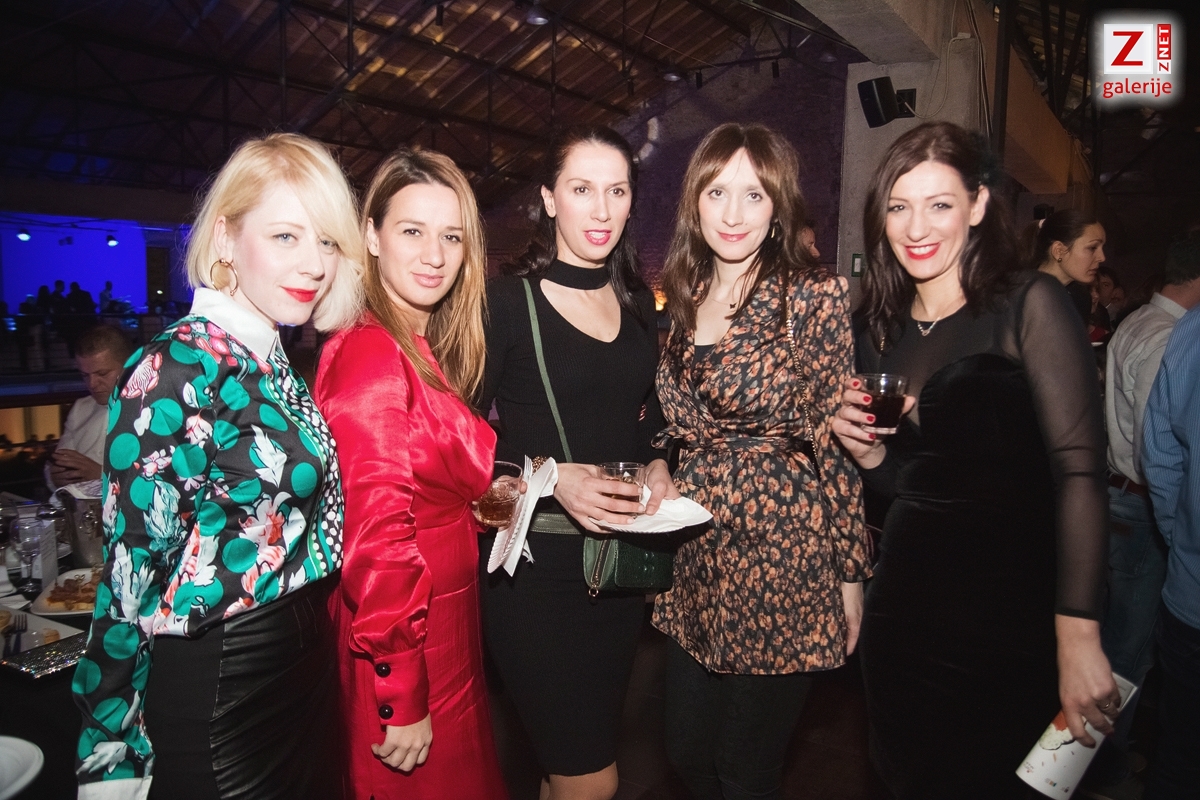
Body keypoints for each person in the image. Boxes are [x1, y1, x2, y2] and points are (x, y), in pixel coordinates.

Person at [73, 132, 362, 800]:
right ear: (227, 237)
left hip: (302, 669)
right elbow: (127, 579)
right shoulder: (175, 366)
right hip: (223, 688)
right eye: (286, 236)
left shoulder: (269, 355)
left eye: (326, 241)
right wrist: (110, 755)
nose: (314, 264)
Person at [832, 121, 1118, 798]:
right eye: (898, 207)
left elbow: (1080, 473)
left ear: (979, 203)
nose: (916, 227)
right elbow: (915, 488)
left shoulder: (1028, 304)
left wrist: (1078, 633)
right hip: (906, 613)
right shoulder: (877, 328)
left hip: (1014, 614)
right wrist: (871, 454)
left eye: (939, 204)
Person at [654, 123, 871, 799]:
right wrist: (662, 461)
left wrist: (851, 575)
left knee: (744, 770)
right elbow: (682, 420)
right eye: (717, 192)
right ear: (695, 201)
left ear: (778, 204)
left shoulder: (811, 296)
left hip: (783, 557)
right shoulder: (684, 295)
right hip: (695, 553)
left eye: (753, 194)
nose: (733, 213)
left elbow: (834, 445)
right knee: (686, 751)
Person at [478, 125, 676, 800]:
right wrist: (550, 474)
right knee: (592, 780)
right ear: (548, 199)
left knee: (562, 771)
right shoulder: (507, 303)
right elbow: (453, 441)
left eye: (616, 191)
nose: (600, 209)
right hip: (534, 574)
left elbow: (642, 416)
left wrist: (657, 462)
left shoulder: (638, 305)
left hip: (614, 572)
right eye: (582, 189)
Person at [315, 148, 509, 800]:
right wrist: (400, 689)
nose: (434, 254)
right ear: (371, 236)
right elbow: (375, 535)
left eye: (451, 236)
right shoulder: (372, 351)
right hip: (405, 648)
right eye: (412, 231)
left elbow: (412, 481)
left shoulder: (411, 344)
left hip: (443, 634)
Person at [1086, 235, 1200, 794]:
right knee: (1126, 654)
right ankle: (1094, 768)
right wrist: (1180, 531)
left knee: (1114, 645)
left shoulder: (1141, 323)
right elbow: (1166, 453)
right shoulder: (1169, 337)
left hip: (1122, 497)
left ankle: (1080, 764)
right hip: (1140, 506)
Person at [1142, 274, 1200, 800]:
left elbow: (1160, 460)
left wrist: (1182, 539)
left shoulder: (1188, 331)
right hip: (1188, 595)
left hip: (1188, 591)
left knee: (1180, 760)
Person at [46, 325, 133, 491]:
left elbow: (166, 481)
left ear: (130, 365)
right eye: (85, 375)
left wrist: (100, 475)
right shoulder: (80, 408)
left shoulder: (155, 411)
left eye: (102, 374)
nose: (92, 384)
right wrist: (54, 477)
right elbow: (58, 464)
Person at [1032, 208, 1107, 326]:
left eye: (1102, 248)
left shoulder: (1080, 298)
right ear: (1059, 251)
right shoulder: (1019, 295)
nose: (1102, 258)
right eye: (1092, 248)